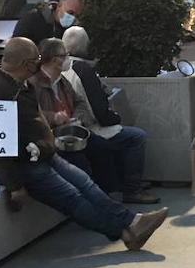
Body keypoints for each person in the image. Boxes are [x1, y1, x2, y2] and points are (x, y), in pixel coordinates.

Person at [0, 38, 168, 250]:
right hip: (21, 164)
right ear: (25, 64)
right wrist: (15, 186)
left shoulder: (20, 83)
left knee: (84, 182)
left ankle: (133, 222)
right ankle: (124, 230)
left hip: (40, 153)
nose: (40, 64)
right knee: (72, 197)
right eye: (36, 60)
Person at [31, 38, 159, 205]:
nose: (67, 58)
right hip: (55, 136)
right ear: (56, 60)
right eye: (65, 55)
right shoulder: (35, 84)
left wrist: (77, 118)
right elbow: (32, 113)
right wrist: (54, 117)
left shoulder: (62, 81)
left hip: (75, 130)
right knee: (126, 140)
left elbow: (80, 103)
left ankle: (109, 195)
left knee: (101, 147)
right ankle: (108, 197)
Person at [13, 0, 82, 47]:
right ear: (59, 6)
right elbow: (18, 47)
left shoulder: (72, 30)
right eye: (70, 12)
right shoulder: (32, 20)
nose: (73, 18)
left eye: (77, 15)